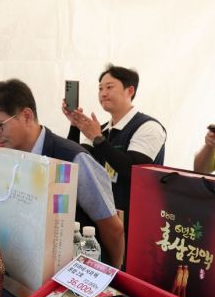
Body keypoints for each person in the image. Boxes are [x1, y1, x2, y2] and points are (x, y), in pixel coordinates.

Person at [0, 79, 125, 268]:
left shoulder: (72, 159)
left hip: (77, 271)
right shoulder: (11, 157)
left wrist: (112, 276)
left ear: (27, 116)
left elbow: (112, 228)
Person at [62, 65, 165, 228]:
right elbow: (75, 164)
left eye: (109, 87)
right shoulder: (101, 129)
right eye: (100, 88)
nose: (103, 93)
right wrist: (75, 125)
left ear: (129, 91)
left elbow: (134, 170)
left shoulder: (148, 127)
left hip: (138, 222)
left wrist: (98, 139)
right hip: (104, 220)